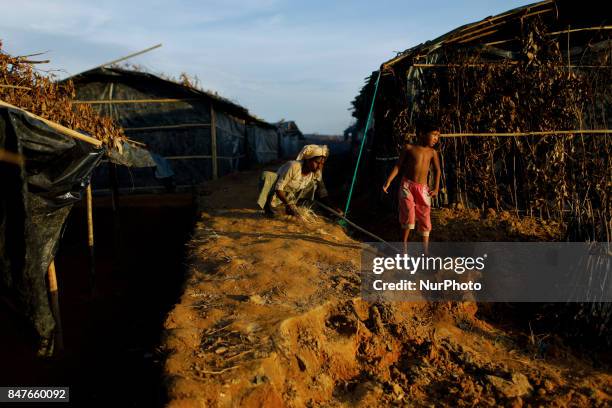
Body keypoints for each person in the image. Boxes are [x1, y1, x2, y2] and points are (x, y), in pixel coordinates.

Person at [383, 120, 441, 253]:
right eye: (434, 135)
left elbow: (437, 170)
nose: (436, 138)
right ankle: (404, 246)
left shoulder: (432, 153)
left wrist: (436, 188)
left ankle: (425, 251)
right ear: (422, 134)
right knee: (408, 214)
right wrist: (389, 181)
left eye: (438, 136)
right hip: (407, 186)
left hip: (423, 189)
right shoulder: (409, 148)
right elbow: (398, 166)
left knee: (425, 216)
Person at [258, 144, 341, 217]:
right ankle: (267, 208)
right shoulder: (293, 166)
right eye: (317, 162)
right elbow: (278, 188)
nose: (319, 166)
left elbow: (322, 193)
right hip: (277, 194)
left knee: (314, 184)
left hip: (291, 196)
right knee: (267, 176)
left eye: (322, 164)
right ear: (308, 160)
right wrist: (288, 204)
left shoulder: (316, 172)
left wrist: (333, 208)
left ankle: (298, 206)